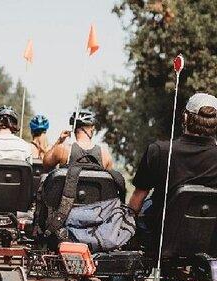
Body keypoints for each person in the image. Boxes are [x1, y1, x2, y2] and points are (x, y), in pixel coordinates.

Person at [128, 93, 217, 223]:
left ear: (185, 118)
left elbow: (136, 203)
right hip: (208, 239)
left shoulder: (158, 150)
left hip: (159, 237)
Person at [43, 109, 113, 171]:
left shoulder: (63, 150)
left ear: (73, 129)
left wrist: (59, 141)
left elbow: (46, 164)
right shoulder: (105, 155)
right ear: (92, 129)